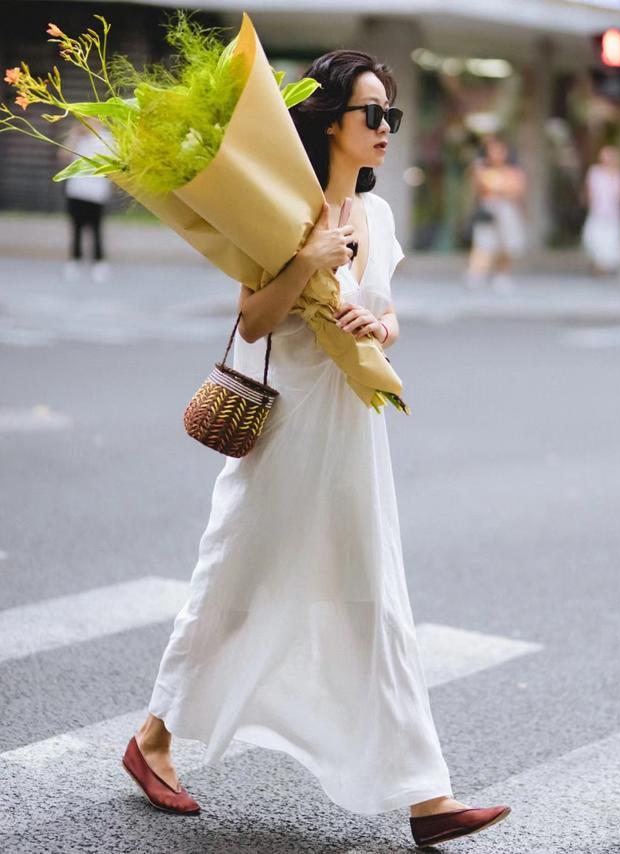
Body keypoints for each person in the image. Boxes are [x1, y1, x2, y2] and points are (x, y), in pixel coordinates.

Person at [121, 50, 511, 849]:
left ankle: (426, 795)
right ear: (329, 121)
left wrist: (379, 326)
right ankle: (152, 740)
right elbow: (255, 322)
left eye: (393, 117)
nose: (386, 130)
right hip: (287, 431)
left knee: (377, 599)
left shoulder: (382, 219)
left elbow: (388, 314)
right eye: (373, 115)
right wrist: (308, 260)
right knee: (233, 585)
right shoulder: (282, 208)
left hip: (354, 431)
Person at [466, 135, 527, 293]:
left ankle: (502, 276)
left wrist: (500, 190)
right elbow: (480, 187)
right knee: (483, 244)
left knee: (506, 245)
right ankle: (476, 275)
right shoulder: (482, 168)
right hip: (488, 211)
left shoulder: (513, 171)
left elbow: (517, 190)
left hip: (507, 212)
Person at [57, 119, 112, 283]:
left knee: (96, 229)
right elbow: (63, 156)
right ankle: (75, 261)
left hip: (96, 193)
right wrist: (73, 135)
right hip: (76, 191)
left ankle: (99, 263)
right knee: (76, 228)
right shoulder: (78, 139)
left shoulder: (106, 139)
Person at [582, 145, 620, 275]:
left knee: (610, 240)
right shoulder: (595, 172)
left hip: (613, 213)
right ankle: (598, 264)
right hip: (598, 211)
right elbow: (590, 191)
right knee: (593, 238)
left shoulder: (618, 174)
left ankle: (605, 266)